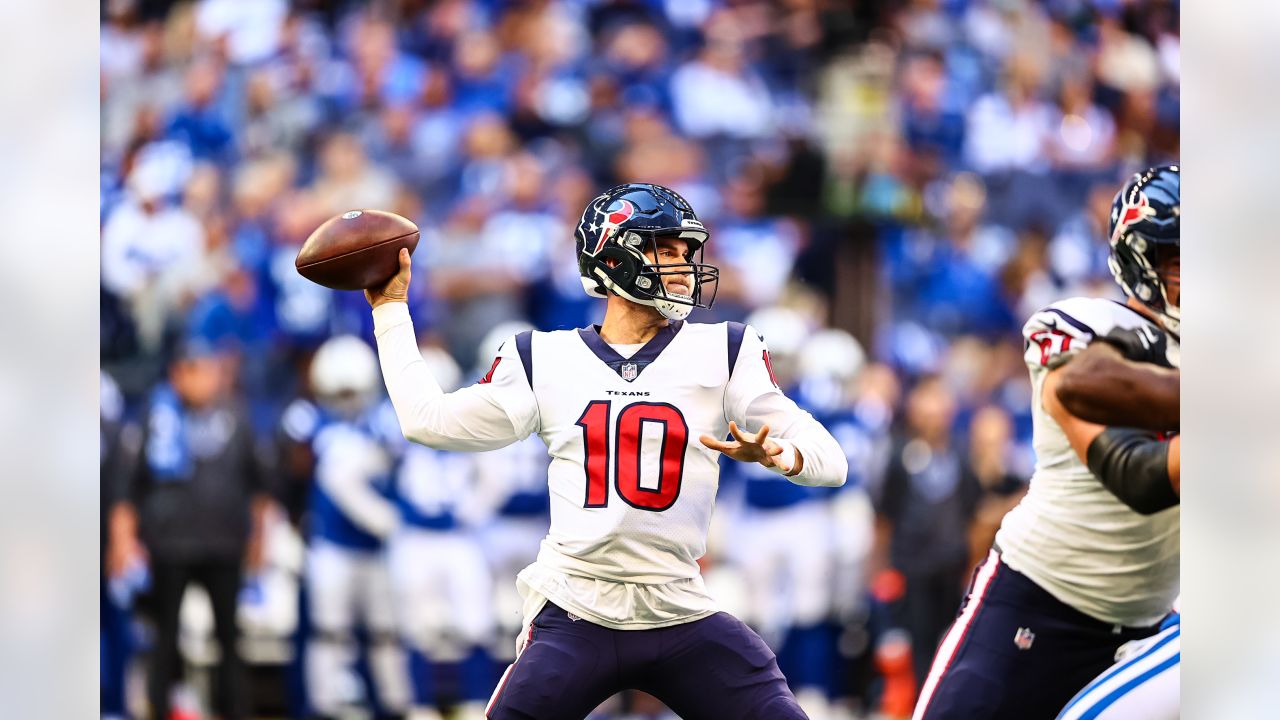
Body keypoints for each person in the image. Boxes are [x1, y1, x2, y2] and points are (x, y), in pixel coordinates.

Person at [366, 182, 848, 719]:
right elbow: (425, 421)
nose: (684, 265)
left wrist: (783, 455)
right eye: (665, 249)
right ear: (615, 255)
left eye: (686, 252)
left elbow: (833, 462)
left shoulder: (726, 349)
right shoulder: (542, 357)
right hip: (577, 607)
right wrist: (391, 312)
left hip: (678, 607)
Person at [911, 165, 1181, 719]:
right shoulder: (1088, 322)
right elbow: (1107, 414)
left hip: (1151, 626)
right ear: (1141, 259)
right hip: (1036, 601)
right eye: (1181, 260)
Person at [108, 339, 273, 720]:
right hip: (170, 546)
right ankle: (160, 709)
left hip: (225, 545)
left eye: (207, 369)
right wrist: (123, 540)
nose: (203, 379)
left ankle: (235, 711)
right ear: (177, 374)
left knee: (230, 639)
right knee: (165, 639)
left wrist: (259, 540)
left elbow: (260, 486)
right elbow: (128, 488)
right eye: (193, 370)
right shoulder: (156, 416)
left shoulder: (235, 416)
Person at [292, 335, 411, 719]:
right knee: (330, 634)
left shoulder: (382, 419)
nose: (346, 401)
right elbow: (303, 473)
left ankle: (394, 705)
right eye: (339, 392)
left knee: (385, 635)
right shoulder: (308, 419)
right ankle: (325, 705)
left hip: (375, 551)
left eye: (351, 391)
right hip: (331, 544)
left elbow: (398, 464)